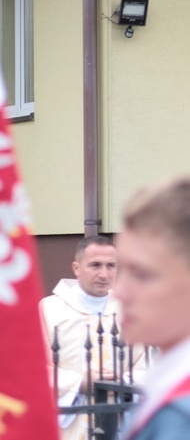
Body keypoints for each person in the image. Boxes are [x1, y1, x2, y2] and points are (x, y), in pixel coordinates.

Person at [39, 236, 146, 440]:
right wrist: (78, 383)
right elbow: (31, 368)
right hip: (66, 426)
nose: (104, 274)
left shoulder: (133, 311)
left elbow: (153, 364)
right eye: (95, 265)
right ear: (76, 268)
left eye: (111, 266)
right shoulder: (49, 310)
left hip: (121, 421)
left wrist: (121, 380)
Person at [116, 175, 190, 439]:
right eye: (121, 269)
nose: (119, 292)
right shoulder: (167, 385)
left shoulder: (180, 419)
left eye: (142, 275)